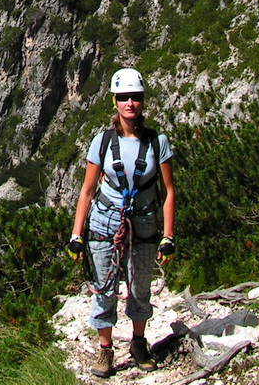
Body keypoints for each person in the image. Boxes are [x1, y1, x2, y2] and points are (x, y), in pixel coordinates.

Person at [68, 67, 176, 378]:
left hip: (143, 223)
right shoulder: (101, 142)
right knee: (104, 288)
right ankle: (105, 350)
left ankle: (138, 343)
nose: (131, 103)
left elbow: (168, 191)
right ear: (115, 102)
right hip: (104, 222)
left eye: (136, 97)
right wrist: (77, 233)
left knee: (139, 286)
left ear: (143, 101)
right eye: (125, 97)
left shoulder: (159, 143)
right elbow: (87, 190)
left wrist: (168, 236)